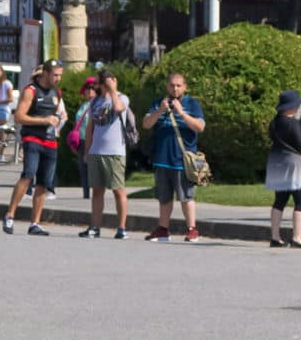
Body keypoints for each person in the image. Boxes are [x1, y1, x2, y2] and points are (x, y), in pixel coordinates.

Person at [4, 60, 67, 236]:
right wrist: (43, 120)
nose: (58, 78)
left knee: (43, 184)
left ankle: (35, 223)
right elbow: (19, 117)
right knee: (28, 174)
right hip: (32, 138)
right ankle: (10, 214)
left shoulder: (56, 92)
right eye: (55, 75)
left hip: (50, 141)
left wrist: (58, 119)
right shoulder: (31, 90)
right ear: (45, 73)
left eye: (60, 75)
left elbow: (57, 113)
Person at [143, 73, 207, 241]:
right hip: (162, 158)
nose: (175, 89)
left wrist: (181, 113)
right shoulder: (159, 102)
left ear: (184, 87)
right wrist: (160, 110)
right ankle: (163, 229)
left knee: (186, 196)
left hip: (183, 160)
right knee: (164, 197)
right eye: (172, 85)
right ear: (167, 86)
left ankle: (192, 229)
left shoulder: (192, 104)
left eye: (178, 85)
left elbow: (200, 127)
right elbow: (146, 124)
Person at [80, 71, 134, 239]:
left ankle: (122, 228)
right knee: (97, 191)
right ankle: (95, 227)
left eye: (98, 82)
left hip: (115, 152)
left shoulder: (122, 98)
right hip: (97, 151)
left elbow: (118, 109)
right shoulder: (95, 101)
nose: (95, 86)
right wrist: (87, 151)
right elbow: (90, 128)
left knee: (118, 190)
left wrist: (112, 90)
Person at [266, 90, 301, 248]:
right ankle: (297, 237)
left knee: (280, 200)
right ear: (292, 107)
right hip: (293, 163)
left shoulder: (274, 122)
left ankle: (275, 237)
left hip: (276, 161)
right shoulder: (293, 123)